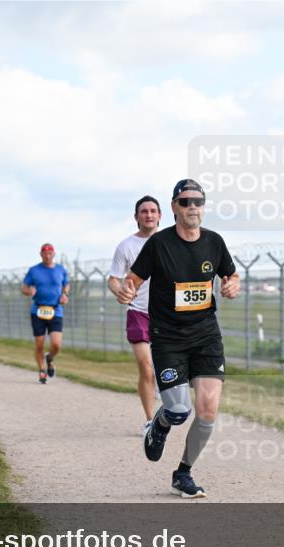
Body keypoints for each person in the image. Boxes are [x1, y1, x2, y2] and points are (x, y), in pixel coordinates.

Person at [118, 179, 241, 499]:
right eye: (185, 202)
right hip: (168, 337)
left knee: (208, 409)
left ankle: (183, 473)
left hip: (206, 336)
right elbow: (132, 279)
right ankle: (160, 424)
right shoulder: (159, 244)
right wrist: (126, 289)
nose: (192, 207)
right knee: (178, 410)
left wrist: (232, 284)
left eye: (198, 202)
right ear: (173, 207)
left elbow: (231, 274)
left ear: (204, 206)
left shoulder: (214, 242)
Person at [108, 195, 162, 435]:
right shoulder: (126, 246)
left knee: (165, 366)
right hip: (138, 312)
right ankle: (151, 420)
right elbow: (113, 278)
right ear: (136, 217)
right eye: (143, 211)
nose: (148, 215)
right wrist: (120, 291)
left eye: (152, 211)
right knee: (145, 366)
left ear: (160, 215)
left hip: (167, 315)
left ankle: (163, 388)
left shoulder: (170, 242)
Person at [21, 243, 69, 383]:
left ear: (54, 254)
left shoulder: (60, 269)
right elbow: (24, 288)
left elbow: (66, 284)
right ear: (41, 254)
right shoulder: (34, 270)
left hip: (55, 310)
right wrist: (29, 291)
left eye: (50, 253)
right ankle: (42, 370)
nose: (47, 256)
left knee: (56, 344)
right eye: (45, 253)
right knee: (39, 344)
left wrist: (64, 294)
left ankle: (50, 358)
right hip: (38, 310)